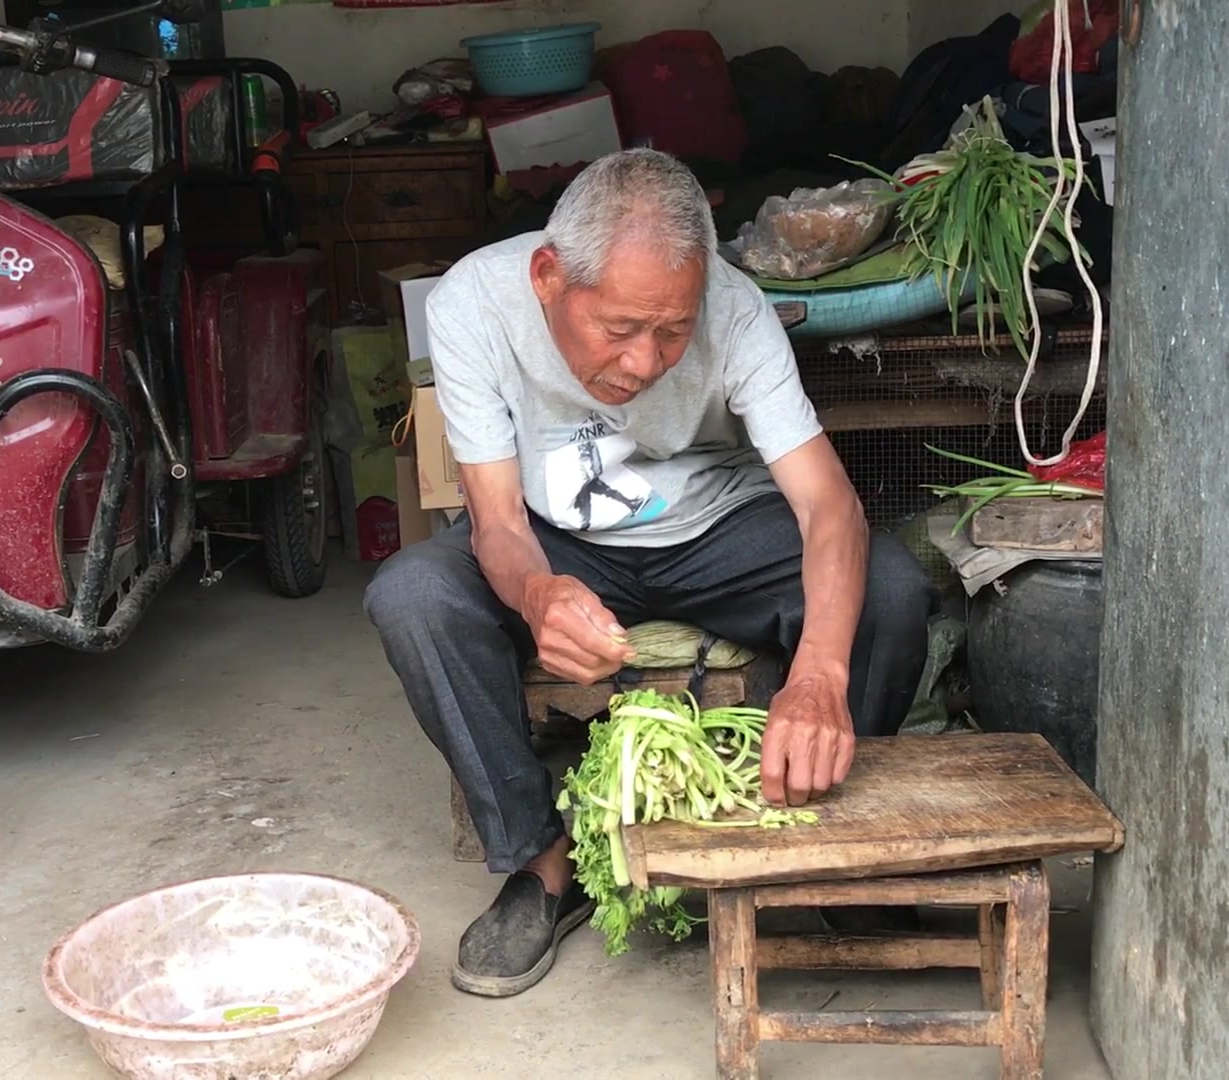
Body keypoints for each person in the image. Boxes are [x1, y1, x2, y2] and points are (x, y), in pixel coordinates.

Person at [365, 149, 936, 998]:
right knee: (412, 596)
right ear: (550, 275)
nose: (646, 363)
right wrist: (535, 592)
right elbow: (495, 518)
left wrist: (818, 673)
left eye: (673, 330)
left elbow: (828, 508)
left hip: (721, 530)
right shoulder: (473, 304)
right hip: (556, 537)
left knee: (888, 585)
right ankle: (540, 864)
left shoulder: (738, 311)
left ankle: (831, 849)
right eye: (621, 329)